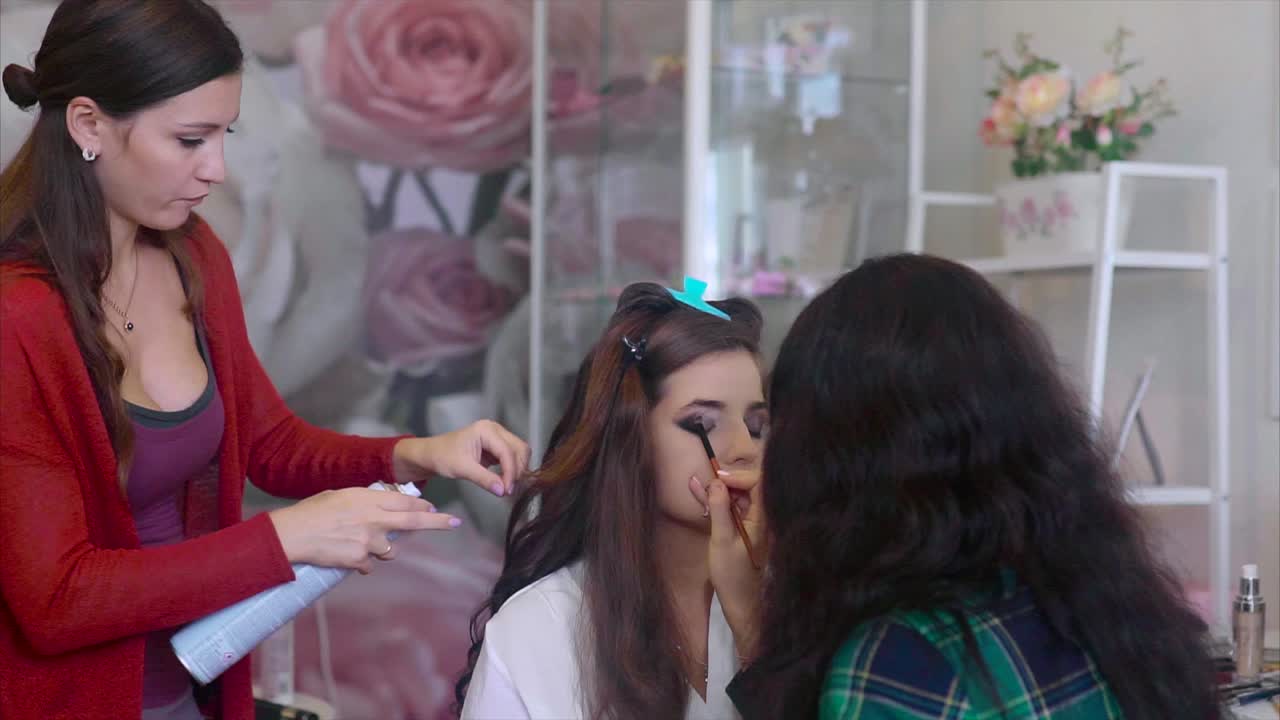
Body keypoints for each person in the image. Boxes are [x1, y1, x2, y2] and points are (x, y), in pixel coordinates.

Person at [0, 2, 529, 719]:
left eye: (225, 134)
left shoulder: (193, 254)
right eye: (190, 139)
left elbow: (270, 444)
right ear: (88, 125)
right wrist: (283, 538)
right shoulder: (17, 322)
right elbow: (58, 600)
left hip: (192, 692)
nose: (217, 169)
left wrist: (420, 453)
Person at [727, 253, 1218, 720]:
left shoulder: (900, 662)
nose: (751, 453)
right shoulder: (1103, 608)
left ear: (828, 460)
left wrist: (754, 623)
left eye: (769, 426)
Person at [456, 282, 768, 720]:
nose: (743, 448)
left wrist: (754, 624)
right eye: (702, 422)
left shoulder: (792, 600)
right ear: (629, 436)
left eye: (756, 425)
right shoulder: (540, 626)